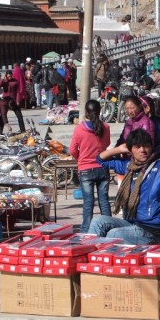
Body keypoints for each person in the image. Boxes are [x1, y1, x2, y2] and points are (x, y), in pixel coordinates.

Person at [70, 100, 112, 233]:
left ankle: (86, 230)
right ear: (100, 111)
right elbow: (106, 144)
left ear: (86, 112)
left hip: (85, 169)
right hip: (102, 167)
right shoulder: (105, 127)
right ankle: (108, 228)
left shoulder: (79, 129)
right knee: (104, 200)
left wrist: (80, 158)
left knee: (88, 202)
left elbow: (72, 150)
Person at [141, 95, 160, 161]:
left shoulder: (153, 122)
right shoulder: (156, 120)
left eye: (139, 108)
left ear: (147, 108)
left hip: (157, 159)